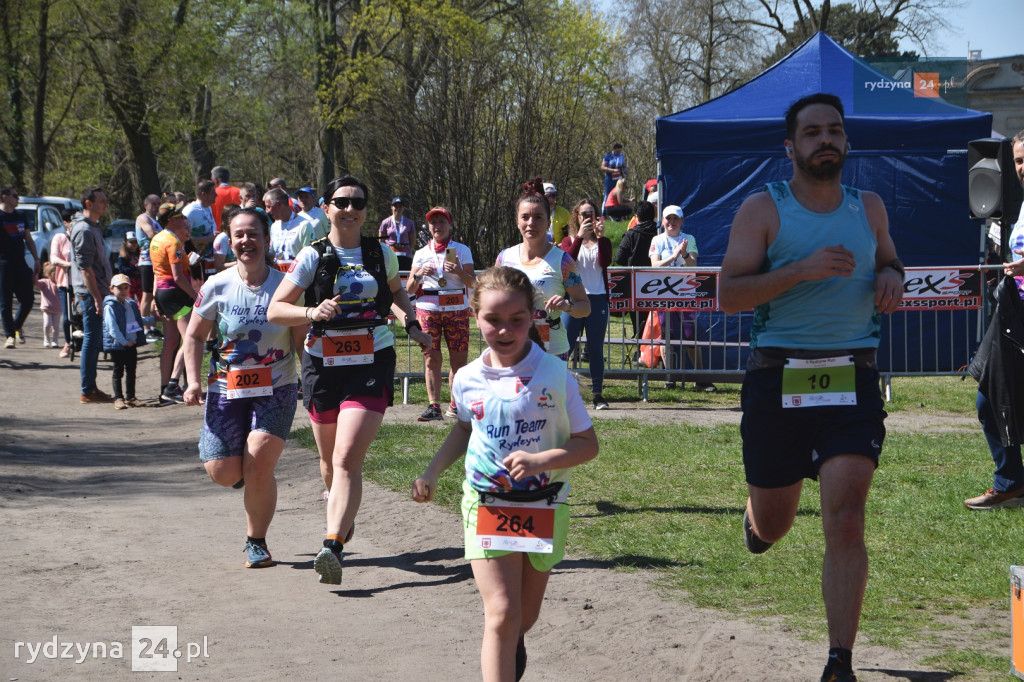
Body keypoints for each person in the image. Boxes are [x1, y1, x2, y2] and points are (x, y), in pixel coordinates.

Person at [719, 93, 904, 682]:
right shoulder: (762, 209)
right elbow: (729, 295)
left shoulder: (869, 207)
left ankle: (838, 661)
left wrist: (892, 277)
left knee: (845, 518)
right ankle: (758, 522)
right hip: (778, 377)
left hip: (852, 376)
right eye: (813, 132)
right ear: (790, 146)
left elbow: (892, 261)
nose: (826, 140)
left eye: (835, 131)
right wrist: (800, 270)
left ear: (846, 141)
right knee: (776, 523)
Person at [411, 266, 599, 682]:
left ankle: (512, 643)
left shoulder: (555, 376)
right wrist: (432, 471)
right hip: (486, 504)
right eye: (492, 319)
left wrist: (541, 461)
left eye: (516, 319)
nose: (504, 330)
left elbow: (589, 445)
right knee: (500, 613)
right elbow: (464, 429)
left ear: (532, 316)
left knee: (523, 618)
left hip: (544, 505)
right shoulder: (467, 379)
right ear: (474, 317)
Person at [268, 175, 431, 584]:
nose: (350, 209)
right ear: (327, 208)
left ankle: (333, 545)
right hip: (322, 366)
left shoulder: (380, 252)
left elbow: (396, 293)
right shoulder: (313, 255)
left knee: (346, 458)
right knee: (329, 464)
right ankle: (342, 515)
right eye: (341, 202)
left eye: (358, 203)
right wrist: (311, 312)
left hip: (371, 360)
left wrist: (411, 322)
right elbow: (275, 309)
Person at [184, 207, 305, 569]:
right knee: (224, 472)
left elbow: (301, 340)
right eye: (239, 234)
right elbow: (194, 336)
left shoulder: (287, 287)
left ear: (266, 239)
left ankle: (256, 541)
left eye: (253, 233)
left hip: (277, 386)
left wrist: (313, 382)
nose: (246, 241)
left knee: (260, 458)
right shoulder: (217, 285)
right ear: (230, 240)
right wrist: (192, 381)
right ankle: (244, 472)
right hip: (226, 389)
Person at [963, 128, 1024, 510]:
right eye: (1018, 160)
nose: (1022, 167)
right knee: (988, 398)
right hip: (1014, 313)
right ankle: (1011, 480)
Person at [495, 178, 589, 360]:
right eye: (525, 217)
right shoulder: (504, 258)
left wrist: (567, 306)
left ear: (548, 222)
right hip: (512, 349)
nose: (531, 223)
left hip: (552, 351)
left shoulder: (563, 260)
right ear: (517, 221)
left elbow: (585, 307)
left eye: (538, 217)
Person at [406, 206, 476, 421]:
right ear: (428, 227)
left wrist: (459, 271)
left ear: (449, 224)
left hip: (456, 310)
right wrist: (419, 275)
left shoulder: (461, 250)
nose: (437, 226)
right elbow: (409, 288)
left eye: (441, 222)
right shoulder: (421, 253)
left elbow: (472, 282)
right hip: (428, 310)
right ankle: (434, 406)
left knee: (459, 361)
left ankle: (455, 405)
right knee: (431, 359)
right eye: (433, 222)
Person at [649, 205, 713, 391]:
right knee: (667, 335)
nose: (672, 222)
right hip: (663, 294)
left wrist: (683, 254)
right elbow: (654, 265)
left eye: (675, 218)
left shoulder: (689, 238)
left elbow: (693, 265)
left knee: (690, 335)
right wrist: (674, 256)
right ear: (663, 221)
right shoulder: (657, 239)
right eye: (668, 218)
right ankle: (670, 377)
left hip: (685, 294)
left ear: (682, 221)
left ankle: (700, 378)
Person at [559, 199, 612, 409]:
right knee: (565, 346)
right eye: (584, 214)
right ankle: (558, 392)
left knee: (595, 348)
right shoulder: (569, 240)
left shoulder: (603, 241)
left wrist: (600, 237)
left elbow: (605, 262)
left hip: (597, 298)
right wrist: (580, 237)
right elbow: (567, 261)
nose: (588, 218)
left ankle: (597, 394)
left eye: (591, 214)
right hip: (574, 299)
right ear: (577, 216)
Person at [150, 202, 198, 404]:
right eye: (179, 217)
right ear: (170, 220)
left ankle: (164, 388)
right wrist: (195, 296)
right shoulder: (173, 242)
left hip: (163, 293)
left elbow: (156, 272)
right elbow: (178, 277)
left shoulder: (157, 238)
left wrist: (155, 297)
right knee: (189, 338)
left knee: (170, 342)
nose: (184, 219)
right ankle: (172, 385)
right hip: (176, 294)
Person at [70, 186, 113, 402]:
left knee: (95, 340)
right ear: (88, 203)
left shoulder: (94, 227)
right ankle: (87, 390)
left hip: (100, 291)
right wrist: (97, 298)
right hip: (90, 294)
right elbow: (85, 269)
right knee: (91, 339)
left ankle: (91, 387)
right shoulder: (84, 230)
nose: (105, 204)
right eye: (102, 201)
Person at [103, 273, 152, 410]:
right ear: (111, 289)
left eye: (126, 287)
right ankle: (118, 398)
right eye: (119, 288)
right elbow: (112, 328)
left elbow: (134, 322)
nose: (123, 291)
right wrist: (124, 341)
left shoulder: (130, 304)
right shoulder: (110, 307)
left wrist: (152, 320)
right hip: (118, 345)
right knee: (118, 371)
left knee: (131, 371)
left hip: (131, 343)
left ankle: (131, 397)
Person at [0, 187, 40, 348]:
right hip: (3, 264)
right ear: (4, 197)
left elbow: (28, 239)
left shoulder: (21, 216)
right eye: (15, 196)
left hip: (20, 263)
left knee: (28, 299)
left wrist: (36, 259)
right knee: (6, 302)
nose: (18, 199)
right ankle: (10, 336)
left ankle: (16, 326)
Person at [615, 200, 658, 337]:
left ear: (636, 216)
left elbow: (619, 258)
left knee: (638, 320)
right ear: (654, 215)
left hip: (635, 283)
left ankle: (641, 345)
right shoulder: (659, 233)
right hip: (657, 283)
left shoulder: (631, 234)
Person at [265, 187, 316, 269]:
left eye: (268, 206)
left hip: (298, 274)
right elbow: (273, 253)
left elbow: (309, 257)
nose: (267, 211)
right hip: (277, 273)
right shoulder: (274, 226)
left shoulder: (304, 225)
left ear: (279, 205)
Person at [135, 194, 163, 342]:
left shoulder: (156, 220)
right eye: (153, 204)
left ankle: (152, 327)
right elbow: (151, 234)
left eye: (158, 204)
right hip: (146, 261)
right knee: (146, 295)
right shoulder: (143, 218)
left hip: (156, 261)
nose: (156, 207)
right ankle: (144, 328)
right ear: (146, 205)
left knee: (154, 294)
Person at [50, 209, 76, 357]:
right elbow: (53, 258)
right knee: (67, 317)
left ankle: (83, 342)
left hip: (82, 283)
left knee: (82, 314)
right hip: (65, 283)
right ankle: (68, 342)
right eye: (72, 220)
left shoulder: (82, 236)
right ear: (66, 222)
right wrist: (68, 264)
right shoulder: (59, 238)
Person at [183, 180, 218, 279]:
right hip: (196, 262)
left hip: (209, 259)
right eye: (213, 192)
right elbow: (182, 238)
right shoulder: (190, 211)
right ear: (203, 194)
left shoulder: (208, 207)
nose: (216, 195)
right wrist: (210, 238)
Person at [378, 196, 415, 270]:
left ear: (403, 208)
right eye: (395, 206)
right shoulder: (385, 222)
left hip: (405, 256)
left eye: (400, 206)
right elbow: (381, 241)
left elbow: (412, 241)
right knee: (391, 275)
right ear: (391, 207)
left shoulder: (409, 223)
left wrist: (407, 249)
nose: (398, 208)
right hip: (390, 255)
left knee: (405, 275)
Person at [35, 262, 61, 347]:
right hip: (47, 308)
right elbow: (36, 283)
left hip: (57, 309)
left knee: (55, 327)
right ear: (49, 274)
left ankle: (55, 341)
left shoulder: (60, 283)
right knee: (47, 324)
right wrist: (36, 273)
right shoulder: (44, 282)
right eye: (54, 272)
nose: (56, 274)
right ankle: (46, 339)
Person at [211, 166, 241, 232]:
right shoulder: (239, 192)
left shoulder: (211, 194)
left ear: (215, 180)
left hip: (218, 232)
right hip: (238, 231)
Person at [113, 233, 142, 302]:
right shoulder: (123, 256)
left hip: (139, 282)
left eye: (135, 242)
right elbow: (122, 270)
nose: (134, 244)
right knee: (129, 301)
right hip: (128, 283)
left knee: (142, 300)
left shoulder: (140, 254)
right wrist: (135, 268)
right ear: (125, 243)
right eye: (131, 242)